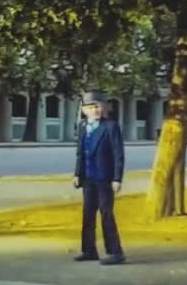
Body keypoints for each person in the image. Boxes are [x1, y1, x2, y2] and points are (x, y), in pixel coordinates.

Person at [73, 91, 126, 265]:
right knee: (87, 214)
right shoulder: (82, 126)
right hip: (88, 178)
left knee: (106, 214)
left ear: (102, 107)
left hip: (104, 178)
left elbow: (118, 154)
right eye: (90, 107)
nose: (94, 110)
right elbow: (80, 153)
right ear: (84, 110)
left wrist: (117, 178)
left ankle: (115, 252)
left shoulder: (110, 126)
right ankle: (89, 250)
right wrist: (77, 174)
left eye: (97, 106)